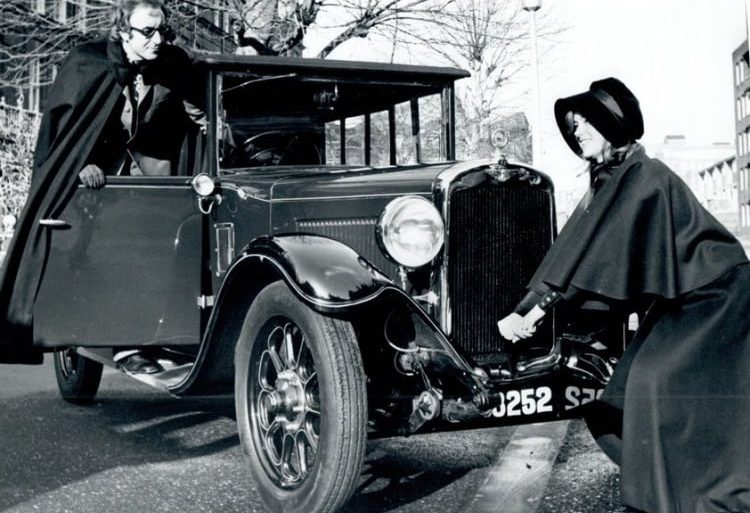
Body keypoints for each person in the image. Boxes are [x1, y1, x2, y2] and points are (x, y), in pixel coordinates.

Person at [497, 78, 750, 512]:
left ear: (611, 129)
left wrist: (534, 311)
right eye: (575, 127)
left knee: (655, 385)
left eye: (585, 125)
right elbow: (578, 248)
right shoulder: (614, 177)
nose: (577, 134)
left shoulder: (643, 177)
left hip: (717, 296)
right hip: (685, 299)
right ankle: (670, 491)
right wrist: (532, 306)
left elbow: (599, 255)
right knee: (628, 386)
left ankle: (686, 496)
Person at [0, 0, 205, 371]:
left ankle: (163, 336)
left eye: (163, 31)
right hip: (99, 181)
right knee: (113, 253)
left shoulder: (171, 66)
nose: (157, 39)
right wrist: (81, 165)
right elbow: (64, 134)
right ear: (123, 31)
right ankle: (125, 345)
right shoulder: (88, 62)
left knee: (171, 249)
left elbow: (196, 110)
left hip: (153, 180)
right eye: (147, 32)